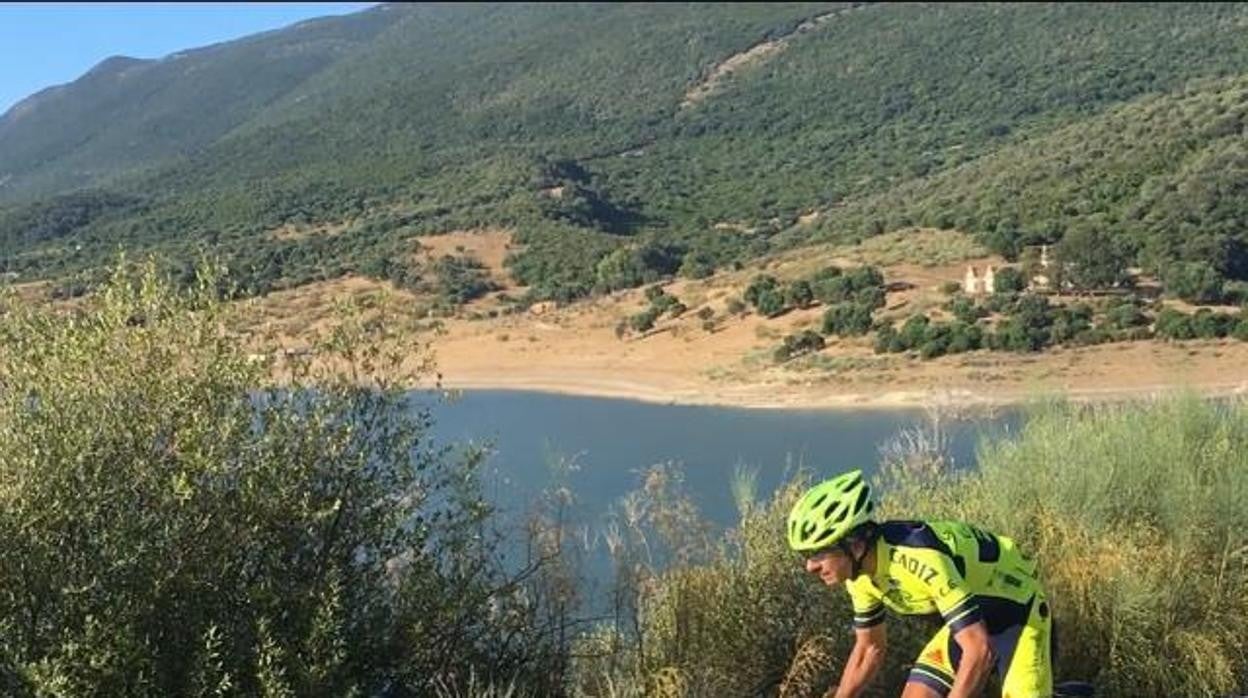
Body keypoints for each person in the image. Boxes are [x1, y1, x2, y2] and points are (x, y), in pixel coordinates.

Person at [787, 469, 1054, 698]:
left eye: (819, 553)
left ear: (854, 544)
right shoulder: (859, 576)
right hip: (973, 617)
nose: (810, 566)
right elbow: (870, 648)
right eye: (806, 556)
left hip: (1017, 608)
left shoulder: (919, 558)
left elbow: (979, 649)